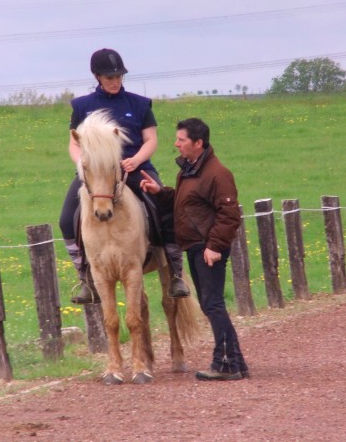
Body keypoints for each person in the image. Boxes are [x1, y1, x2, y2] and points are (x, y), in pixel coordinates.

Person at [59, 48, 189, 304]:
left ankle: (176, 273)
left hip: (134, 166)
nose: (116, 81)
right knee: (66, 219)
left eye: (119, 76)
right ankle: (84, 278)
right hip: (96, 172)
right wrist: (83, 164)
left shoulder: (139, 104)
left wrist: (137, 160)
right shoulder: (82, 106)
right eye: (110, 77)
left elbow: (151, 139)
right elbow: (74, 144)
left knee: (165, 210)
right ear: (97, 76)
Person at [140, 117, 249, 381]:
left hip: (206, 249)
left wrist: (214, 247)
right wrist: (159, 192)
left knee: (213, 305)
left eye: (181, 140)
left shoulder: (217, 174)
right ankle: (235, 362)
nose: (176, 144)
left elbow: (229, 215)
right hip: (196, 246)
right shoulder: (189, 170)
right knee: (211, 304)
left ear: (198, 143)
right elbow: (184, 202)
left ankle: (225, 364)